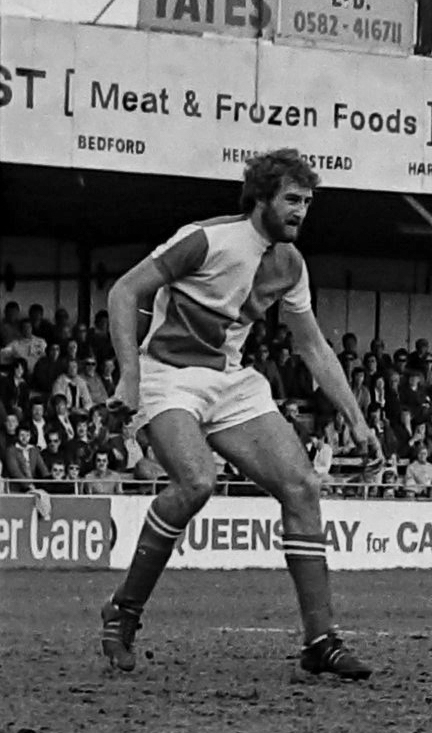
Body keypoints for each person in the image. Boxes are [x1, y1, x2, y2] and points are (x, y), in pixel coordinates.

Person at [97, 150, 381, 677]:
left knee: (302, 487)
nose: (301, 211)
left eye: (308, 202)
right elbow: (124, 290)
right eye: (292, 200)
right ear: (262, 199)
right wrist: (130, 376)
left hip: (229, 379)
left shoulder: (290, 265)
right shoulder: (207, 239)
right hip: (168, 376)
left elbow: (313, 346)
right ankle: (124, 610)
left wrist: (357, 420)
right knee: (196, 482)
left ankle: (320, 640)